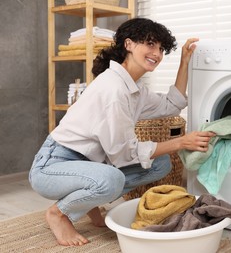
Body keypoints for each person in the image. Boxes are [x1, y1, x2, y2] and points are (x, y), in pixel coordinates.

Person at [29, 17, 215, 246]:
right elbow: (124, 154)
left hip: (88, 164)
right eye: (150, 44)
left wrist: (185, 61)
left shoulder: (134, 90)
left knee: (161, 164)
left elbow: (171, 104)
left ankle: (88, 202)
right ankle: (58, 213)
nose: (156, 53)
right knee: (112, 180)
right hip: (52, 166)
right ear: (128, 44)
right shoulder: (113, 89)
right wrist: (181, 142)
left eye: (160, 48)